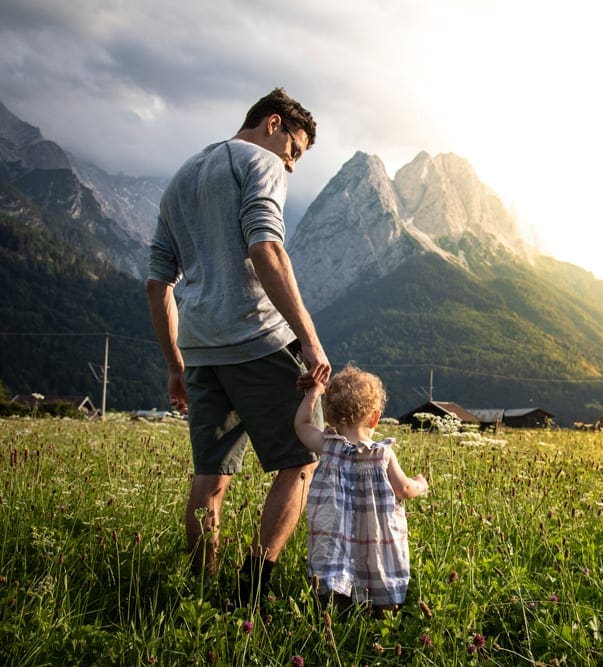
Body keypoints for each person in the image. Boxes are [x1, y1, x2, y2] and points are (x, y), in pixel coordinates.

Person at [146, 88, 331, 608]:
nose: (291, 166)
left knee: (210, 478)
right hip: (258, 342)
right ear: (272, 124)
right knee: (299, 462)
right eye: (294, 150)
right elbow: (266, 247)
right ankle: (251, 592)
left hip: (201, 351)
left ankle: (202, 596)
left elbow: (157, 286)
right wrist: (311, 341)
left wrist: (175, 365)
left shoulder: (180, 180)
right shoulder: (260, 162)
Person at [294, 364, 428, 617]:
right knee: (378, 562)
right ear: (376, 417)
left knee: (336, 562)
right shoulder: (382, 454)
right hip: (375, 534)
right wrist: (421, 483)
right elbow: (404, 489)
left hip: (337, 532)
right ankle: (382, 609)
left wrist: (313, 394)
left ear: (330, 416)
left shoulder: (328, 446)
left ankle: (335, 607)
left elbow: (301, 425)